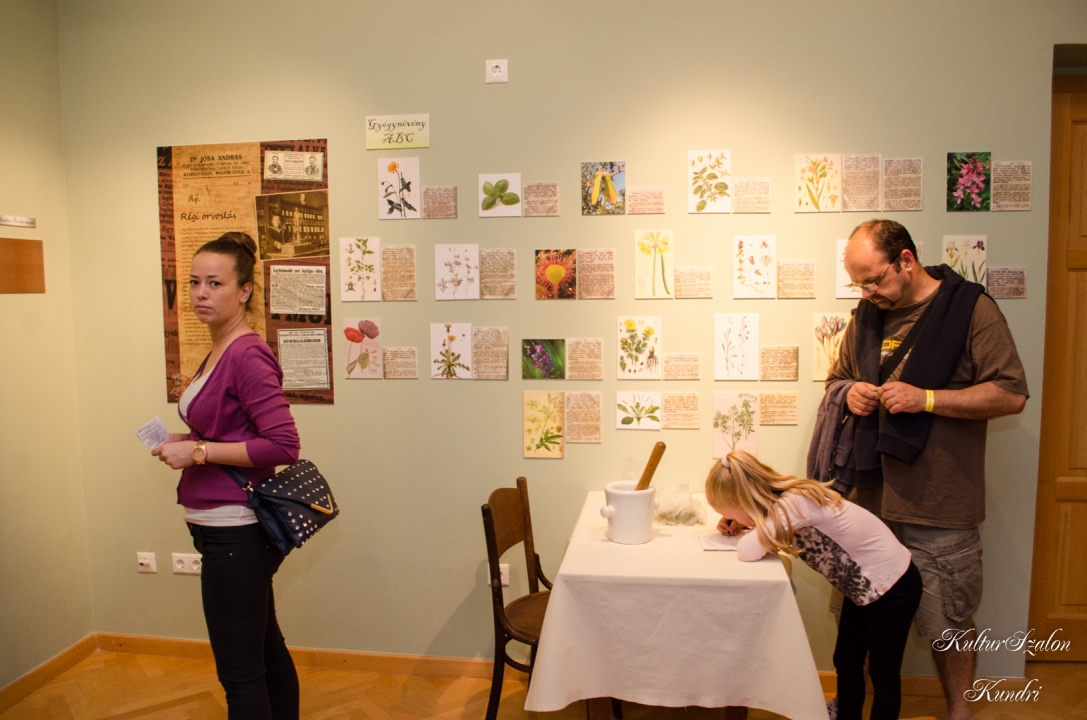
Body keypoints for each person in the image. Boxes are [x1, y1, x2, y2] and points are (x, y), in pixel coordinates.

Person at [828, 219, 1028, 720]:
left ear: (906, 260)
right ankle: (852, 705)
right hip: (870, 502)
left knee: (948, 623)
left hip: (940, 503)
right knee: (861, 613)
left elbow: (1011, 393)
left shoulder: (971, 309)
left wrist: (928, 399)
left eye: (874, 280)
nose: (868, 293)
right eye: (859, 284)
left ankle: (960, 713)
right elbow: (836, 379)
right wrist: (850, 393)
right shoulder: (866, 316)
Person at [153, 231, 301, 720]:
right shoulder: (221, 346)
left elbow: (282, 445)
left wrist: (197, 452)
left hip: (236, 531)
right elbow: (229, 429)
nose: (201, 293)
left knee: (240, 674)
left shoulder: (245, 353)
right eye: (194, 282)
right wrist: (187, 438)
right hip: (224, 529)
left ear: (244, 291)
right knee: (265, 649)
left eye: (215, 283)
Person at [707, 451, 922, 720]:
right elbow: (766, 531)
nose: (729, 518)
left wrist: (749, 525)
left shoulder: (793, 505)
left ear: (744, 500)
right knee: (846, 659)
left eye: (728, 512)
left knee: (883, 673)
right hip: (866, 588)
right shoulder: (785, 504)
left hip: (894, 585)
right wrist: (744, 521)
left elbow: (748, 551)